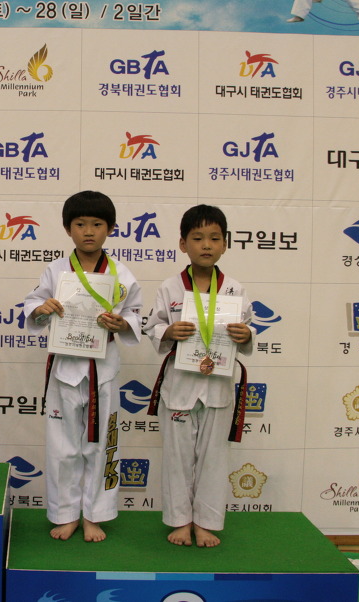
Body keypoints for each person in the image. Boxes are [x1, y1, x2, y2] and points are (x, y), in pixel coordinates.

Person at [23, 191, 143, 542]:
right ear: (67, 228)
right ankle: (65, 513)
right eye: (80, 224)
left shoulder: (121, 274)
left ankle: (95, 514)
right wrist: (41, 309)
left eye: (96, 224)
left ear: (110, 229)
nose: (88, 231)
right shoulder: (56, 270)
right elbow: (33, 304)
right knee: (62, 447)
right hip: (65, 366)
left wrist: (123, 324)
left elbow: (135, 315)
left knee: (102, 445)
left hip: (103, 369)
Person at [144, 205, 252, 548]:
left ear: (225, 244)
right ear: (183, 244)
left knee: (214, 458)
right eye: (198, 238)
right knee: (176, 457)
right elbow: (153, 327)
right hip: (180, 384)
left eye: (214, 238)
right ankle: (179, 521)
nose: (206, 245)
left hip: (219, 385)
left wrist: (245, 335)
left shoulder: (234, 289)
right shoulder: (170, 287)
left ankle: (206, 523)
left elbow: (247, 331)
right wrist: (167, 331)